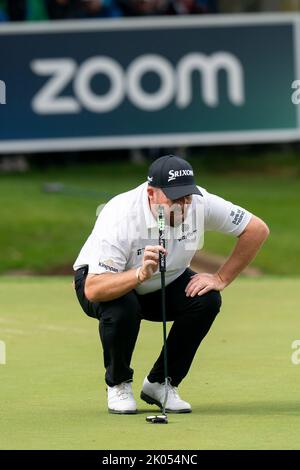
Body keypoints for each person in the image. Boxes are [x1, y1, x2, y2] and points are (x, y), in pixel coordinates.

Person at [73, 155, 269, 414]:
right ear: (151, 193)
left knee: (206, 299)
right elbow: (94, 289)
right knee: (123, 308)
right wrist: (139, 275)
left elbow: (256, 229)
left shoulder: (199, 202)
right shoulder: (120, 215)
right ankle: (118, 383)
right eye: (174, 199)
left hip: (166, 279)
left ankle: (161, 382)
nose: (183, 206)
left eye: (186, 198)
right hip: (106, 281)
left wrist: (220, 278)